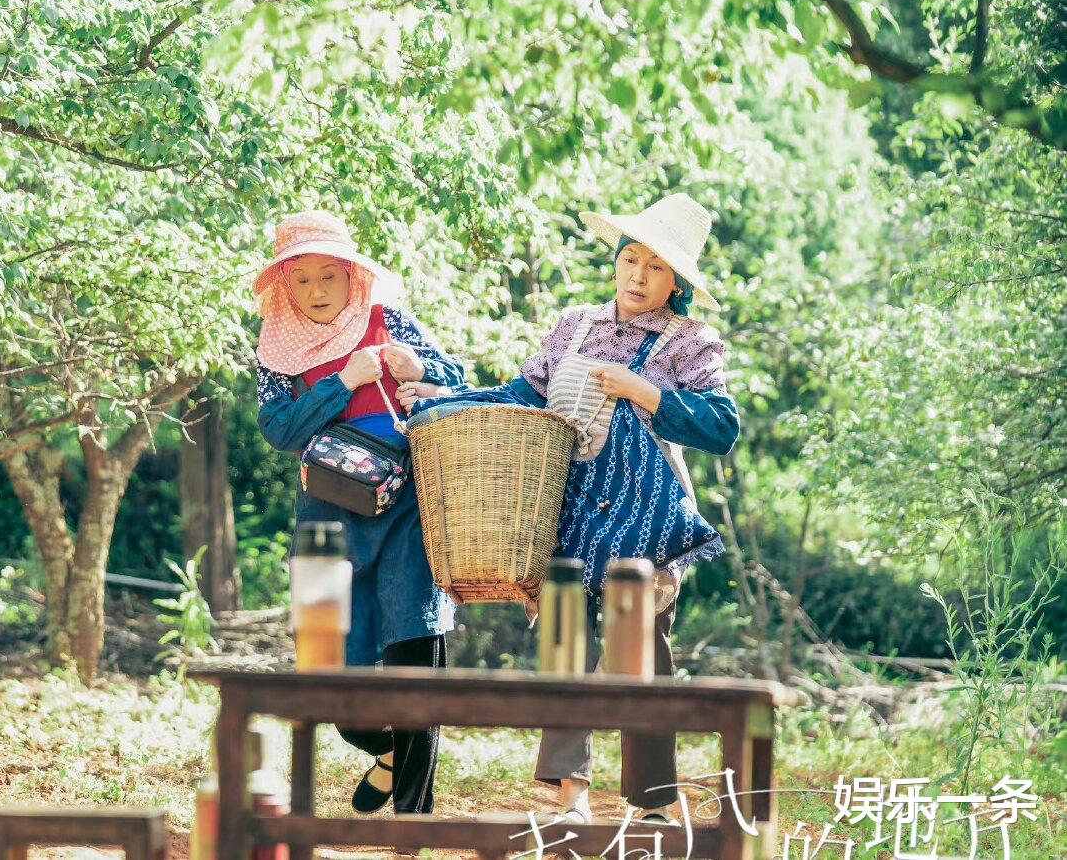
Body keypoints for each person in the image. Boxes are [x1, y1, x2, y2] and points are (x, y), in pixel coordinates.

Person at [410, 192, 741, 825]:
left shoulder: (691, 343)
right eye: (630, 261)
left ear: (677, 285)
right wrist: (440, 393)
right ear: (616, 262)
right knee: (564, 644)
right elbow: (519, 395)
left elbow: (722, 428)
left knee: (640, 651)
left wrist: (646, 392)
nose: (638, 277)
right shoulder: (576, 325)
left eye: (656, 268)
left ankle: (650, 801)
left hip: (642, 516)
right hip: (567, 506)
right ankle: (572, 796)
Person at [253, 209, 467, 815]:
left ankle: (414, 827)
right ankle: (390, 750)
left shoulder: (388, 320)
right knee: (328, 675)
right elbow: (278, 429)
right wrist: (343, 382)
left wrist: (420, 370)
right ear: (284, 286)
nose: (316, 292)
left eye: (329, 276)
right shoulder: (276, 346)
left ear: (353, 276)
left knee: (413, 659)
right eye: (301, 280)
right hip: (326, 521)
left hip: (406, 510)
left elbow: (458, 380)